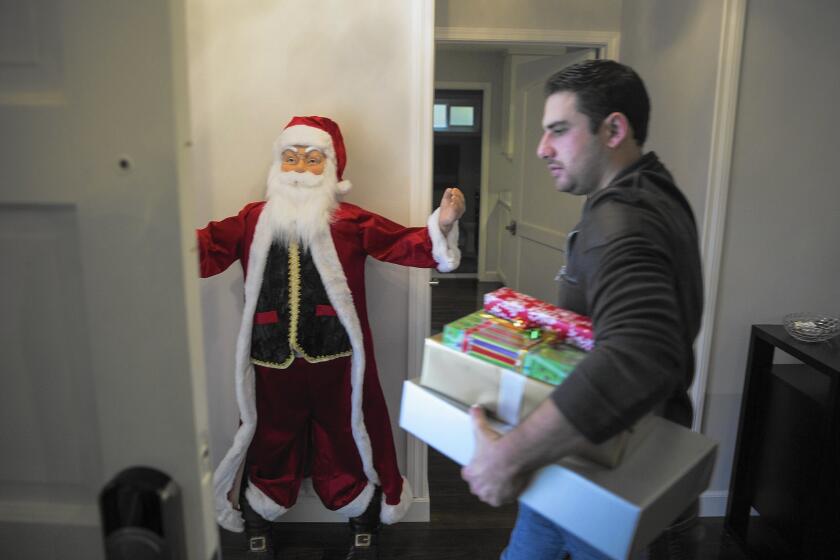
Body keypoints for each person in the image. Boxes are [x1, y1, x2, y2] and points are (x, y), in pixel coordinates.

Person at [461, 60, 703, 559]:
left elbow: (640, 354)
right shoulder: (653, 189)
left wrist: (507, 457)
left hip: (611, 483)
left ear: (614, 129)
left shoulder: (621, 219)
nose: (541, 149)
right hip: (581, 467)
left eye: (559, 131)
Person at [199, 115, 465, 559]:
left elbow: (404, 243)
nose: (300, 168)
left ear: (331, 166)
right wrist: (160, 238)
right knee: (270, 436)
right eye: (291, 158)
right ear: (278, 164)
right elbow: (206, 247)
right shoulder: (253, 220)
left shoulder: (348, 221)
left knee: (346, 433)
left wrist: (443, 223)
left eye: (311, 158)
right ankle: (259, 517)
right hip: (270, 357)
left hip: (337, 356)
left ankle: (362, 517)